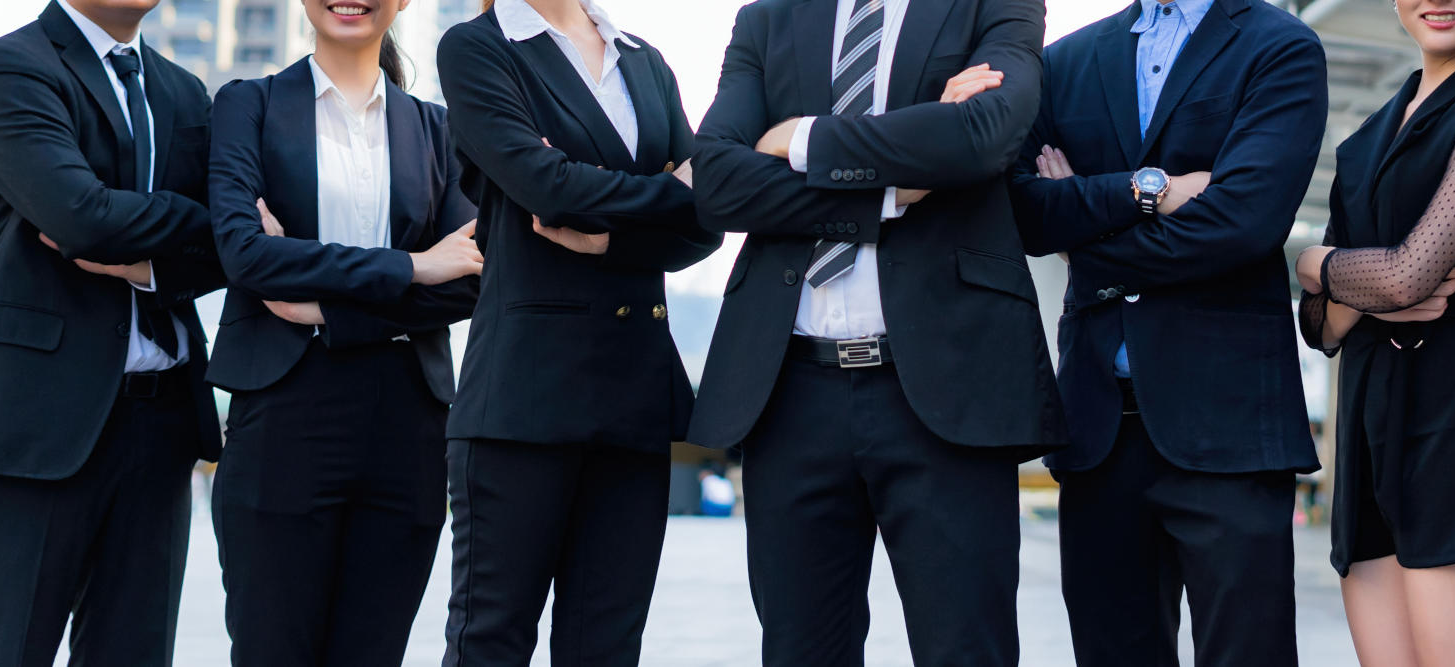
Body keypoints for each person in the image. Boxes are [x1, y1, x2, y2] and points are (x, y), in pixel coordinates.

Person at [687, 0, 1064, 663]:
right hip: (790, 390)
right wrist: (887, 188)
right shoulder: (768, 18)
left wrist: (801, 139)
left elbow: (983, 134)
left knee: (966, 651)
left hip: (949, 387)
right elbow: (717, 181)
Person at [1008, 0, 1327, 663]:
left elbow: (1243, 222)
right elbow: (1023, 213)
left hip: (1230, 426)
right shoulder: (1064, 62)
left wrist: (1084, 235)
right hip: (1099, 427)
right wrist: (1146, 188)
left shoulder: (1280, 46)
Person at [0, 0, 224, 663]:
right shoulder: (12, 66)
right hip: (32, 418)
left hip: (161, 422)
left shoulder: (184, 91)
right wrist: (201, 219)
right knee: (3, 651)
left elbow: (232, 248)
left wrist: (152, 256)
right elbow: (79, 216)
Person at [434, 0, 721, 662]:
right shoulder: (478, 48)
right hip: (523, 396)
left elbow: (707, 222)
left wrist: (611, 238)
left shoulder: (643, 61)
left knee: (608, 648)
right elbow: (547, 190)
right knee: (491, 641)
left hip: (636, 394)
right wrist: (675, 190)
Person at [204, 0, 484, 661]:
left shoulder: (439, 129)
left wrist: (328, 308)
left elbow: (471, 275)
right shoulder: (248, 106)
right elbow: (246, 255)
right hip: (283, 406)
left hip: (407, 423)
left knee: (373, 650)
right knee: (272, 647)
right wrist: (412, 266)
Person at [1291, 0, 1455, 663]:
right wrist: (1361, 290)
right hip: (1369, 420)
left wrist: (1315, 264)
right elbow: (1320, 325)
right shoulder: (1366, 137)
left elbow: (1407, 278)